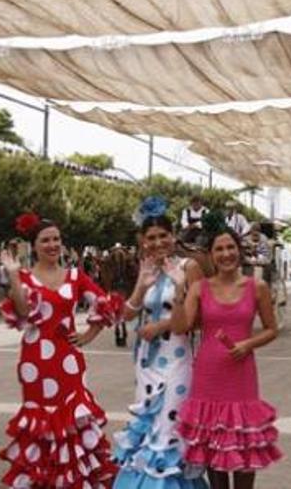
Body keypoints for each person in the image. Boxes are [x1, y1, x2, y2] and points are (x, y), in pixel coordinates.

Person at [0, 212, 119, 488]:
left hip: (68, 361)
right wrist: (15, 276)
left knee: (72, 421)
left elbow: (105, 303)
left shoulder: (76, 276)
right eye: (45, 240)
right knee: (41, 423)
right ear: (35, 245)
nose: (52, 245)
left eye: (56, 239)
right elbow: (22, 311)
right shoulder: (26, 277)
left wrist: (88, 335)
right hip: (35, 365)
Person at [172, 226, 282, 489]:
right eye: (219, 249)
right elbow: (181, 327)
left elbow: (271, 329)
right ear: (210, 255)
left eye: (230, 247)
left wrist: (248, 344)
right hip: (207, 378)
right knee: (214, 457)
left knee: (244, 453)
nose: (226, 254)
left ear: (239, 250)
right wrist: (178, 295)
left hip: (241, 377)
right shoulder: (199, 288)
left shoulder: (258, 287)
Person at [113, 197, 208, 489]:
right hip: (146, 362)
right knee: (148, 427)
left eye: (163, 236)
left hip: (177, 359)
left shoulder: (189, 267)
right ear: (142, 241)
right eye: (151, 237)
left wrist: (161, 325)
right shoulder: (145, 269)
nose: (157, 243)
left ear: (173, 236)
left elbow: (199, 318)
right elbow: (126, 315)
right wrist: (141, 286)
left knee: (169, 427)